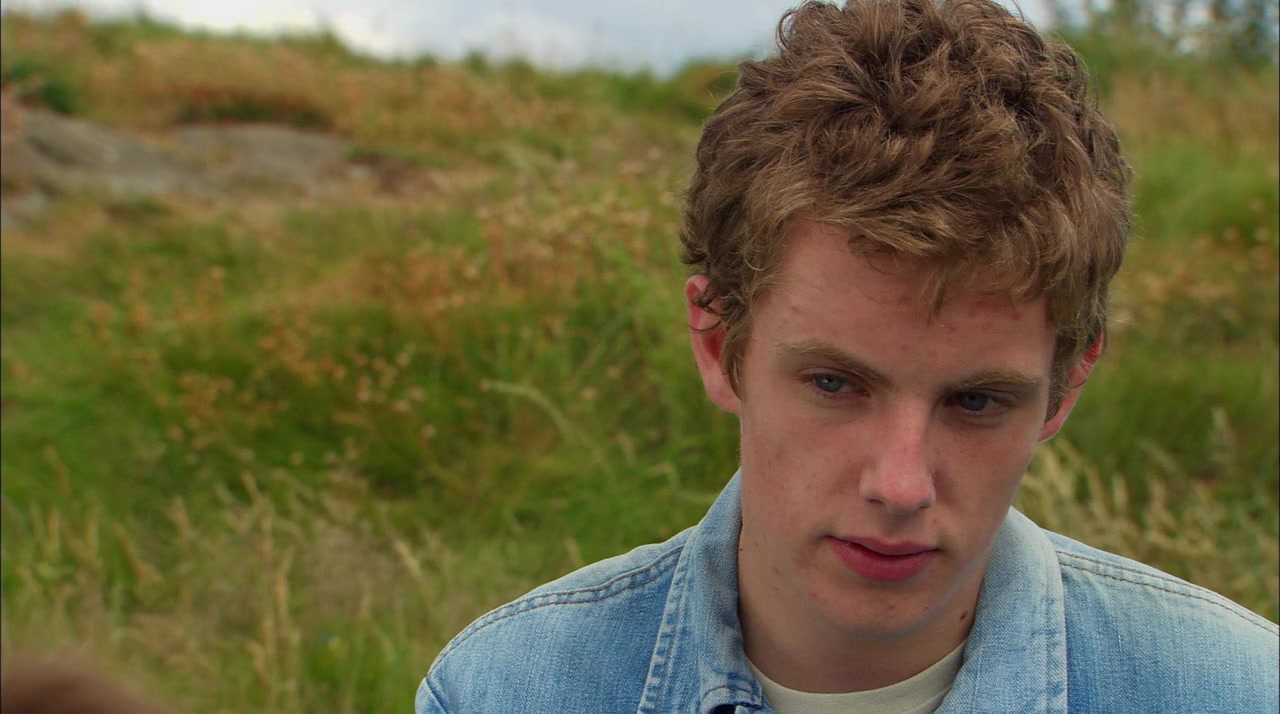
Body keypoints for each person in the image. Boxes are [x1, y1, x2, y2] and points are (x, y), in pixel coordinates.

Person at [416, 0, 1280, 711]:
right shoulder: (502, 691)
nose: (901, 486)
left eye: (976, 402)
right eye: (835, 383)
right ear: (718, 344)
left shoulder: (1237, 692)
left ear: (1067, 384)